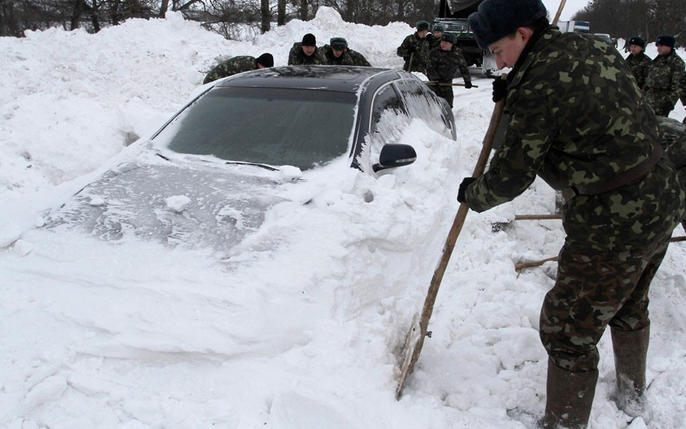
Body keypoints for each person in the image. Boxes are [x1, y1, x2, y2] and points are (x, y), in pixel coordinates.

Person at [462, 0, 685, 427]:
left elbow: (512, 176)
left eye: (497, 49)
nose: (497, 60)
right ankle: (632, 396)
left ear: (523, 34)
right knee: (628, 302)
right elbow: (586, 109)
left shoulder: (537, 84)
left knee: (567, 331)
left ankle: (563, 423)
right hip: (661, 193)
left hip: (614, 220)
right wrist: (516, 97)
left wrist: (474, 194)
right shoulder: (591, 48)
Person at [644, 35, 686, 116]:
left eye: (661, 46)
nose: (658, 48)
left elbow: (677, 86)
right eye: (658, 46)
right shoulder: (656, 61)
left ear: (669, 46)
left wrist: (669, 103)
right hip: (648, 101)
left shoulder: (676, 63)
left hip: (661, 103)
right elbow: (649, 80)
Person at [426, 33, 472, 107]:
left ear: (451, 44)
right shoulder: (434, 52)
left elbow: (463, 67)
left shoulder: (457, 53)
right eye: (442, 42)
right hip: (434, 83)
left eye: (446, 43)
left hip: (447, 83)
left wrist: (467, 81)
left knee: (448, 105)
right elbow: (429, 68)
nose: (443, 44)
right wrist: (436, 79)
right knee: (433, 104)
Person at [203, 53, 273, 84]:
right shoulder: (247, 68)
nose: (264, 71)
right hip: (212, 81)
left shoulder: (252, 62)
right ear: (260, 63)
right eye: (265, 68)